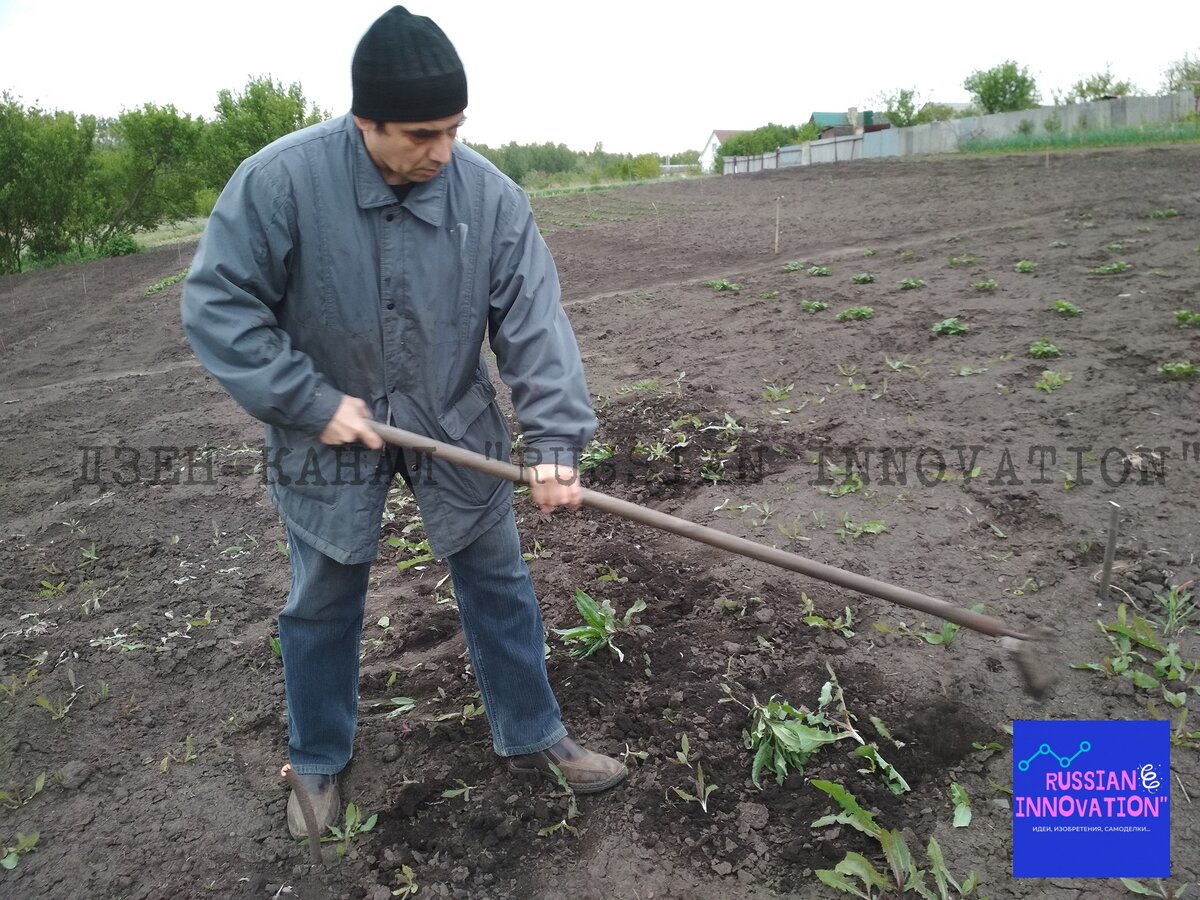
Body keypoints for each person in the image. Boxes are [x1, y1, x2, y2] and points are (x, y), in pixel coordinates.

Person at [181, 5, 627, 839]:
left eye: (456, 129)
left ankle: (534, 733)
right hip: (326, 423)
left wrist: (556, 444)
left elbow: (533, 325)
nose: (443, 152)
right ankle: (317, 757)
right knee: (322, 596)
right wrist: (310, 402)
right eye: (423, 134)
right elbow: (220, 304)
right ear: (365, 122)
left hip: (450, 418)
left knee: (497, 580)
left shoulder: (491, 199)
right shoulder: (280, 182)